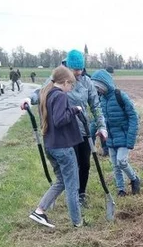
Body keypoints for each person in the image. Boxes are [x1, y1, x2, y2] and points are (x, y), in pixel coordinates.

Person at [23, 49, 107, 208]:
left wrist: (102, 126)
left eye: (81, 69)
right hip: (65, 133)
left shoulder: (86, 81)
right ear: (68, 67)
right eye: (76, 69)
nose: (79, 72)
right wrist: (29, 99)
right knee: (71, 166)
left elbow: (96, 106)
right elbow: (41, 93)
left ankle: (81, 194)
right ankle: (72, 197)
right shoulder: (57, 79)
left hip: (83, 131)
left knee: (85, 164)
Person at [26, 66, 84, 229]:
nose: (71, 88)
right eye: (71, 85)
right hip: (63, 147)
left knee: (61, 181)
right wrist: (75, 110)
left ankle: (39, 211)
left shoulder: (47, 93)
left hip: (51, 146)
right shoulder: (60, 96)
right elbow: (60, 120)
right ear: (65, 82)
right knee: (73, 186)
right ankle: (77, 222)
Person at [91, 70, 141, 196]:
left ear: (105, 84)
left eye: (99, 86)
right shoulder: (101, 100)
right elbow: (98, 118)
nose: (97, 90)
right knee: (115, 166)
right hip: (110, 139)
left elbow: (133, 116)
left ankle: (134, 179)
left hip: (124, 137)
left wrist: (130, 139)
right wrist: (96, 132)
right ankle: (121, 189)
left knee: (121, 161)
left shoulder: (120, 96)